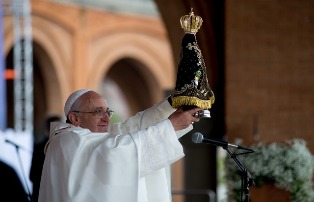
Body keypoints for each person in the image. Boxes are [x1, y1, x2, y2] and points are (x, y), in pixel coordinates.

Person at [38, 89, 201, 202]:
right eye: (97, 112)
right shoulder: (67, 140)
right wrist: (171, 126)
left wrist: (171, 105)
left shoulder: (96, 136)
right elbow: (115, 153)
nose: (105, 118)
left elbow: (131, 129)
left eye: (107, 112)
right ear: (75, 119)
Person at [30, 115, 61, 202]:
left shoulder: (66, 146)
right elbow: (33, 175)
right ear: (48, 128)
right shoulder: (39, 147)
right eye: (56, 126)